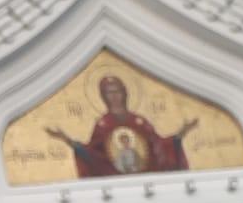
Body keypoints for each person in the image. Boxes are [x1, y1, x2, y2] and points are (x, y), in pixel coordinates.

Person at [46, 74, 199, 176]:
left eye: (117, 91)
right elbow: (94, 156)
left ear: (125, 93)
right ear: (103, 96)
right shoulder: (103, 124)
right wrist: (68, 140)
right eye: (109, 92)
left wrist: (179, 135)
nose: (114, 96)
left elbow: (158, 147)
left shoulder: (139, 121)